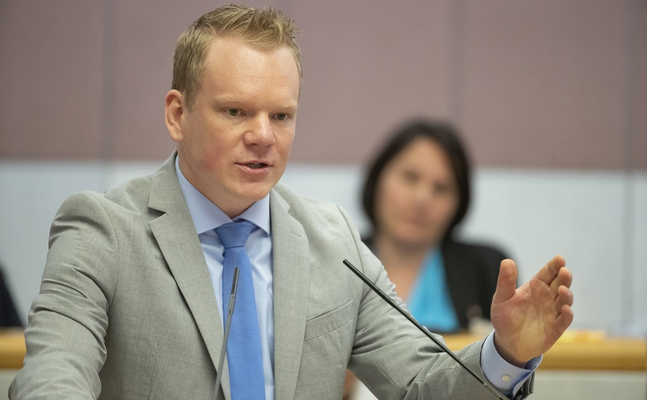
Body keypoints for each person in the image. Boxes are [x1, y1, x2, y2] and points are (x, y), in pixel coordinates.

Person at [9, 5, 574, 400]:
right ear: (177, 114)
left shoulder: (333, 241)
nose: (264, 135)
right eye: (236, 111)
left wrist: (505, 354)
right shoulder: (101, 231)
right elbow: (53, 378)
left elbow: (421, 386)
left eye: (281, 115)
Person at [361, 120, 507, 333]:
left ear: (459, 203)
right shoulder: (336, 259)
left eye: (441, 188)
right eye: (410, 178)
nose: (423, 198)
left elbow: (509, 361)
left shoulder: (486, 269)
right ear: (378, 179)